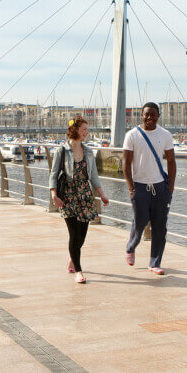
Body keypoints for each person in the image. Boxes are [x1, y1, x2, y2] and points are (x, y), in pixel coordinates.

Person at [49, 116, 109, 284]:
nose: (87, 133)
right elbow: (54, 174)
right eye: (84, 130)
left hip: (85, 196)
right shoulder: (62, 151)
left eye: (87, 130)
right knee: (74, 234)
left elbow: (94, 177)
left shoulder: (89, 152)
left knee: (82, 235)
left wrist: (102, 194)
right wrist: (54, 194)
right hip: (68, 196)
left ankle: (72, 257)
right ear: (75, 130)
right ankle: (78, 271)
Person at [123, 102, 177, 275]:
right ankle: (131, 247)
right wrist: (131, 187)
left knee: (160, 227)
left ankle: (155, 263)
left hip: (160, 187)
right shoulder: (132, 135)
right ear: (142, 115)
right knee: (139, 223)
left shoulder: (165, 135)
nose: (149, 117)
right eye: (146, 114)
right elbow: (126, 163)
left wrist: (170, 188)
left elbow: (171, 161)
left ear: (158, 116)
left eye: (153, 114)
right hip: (139, 186)